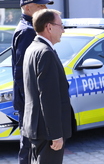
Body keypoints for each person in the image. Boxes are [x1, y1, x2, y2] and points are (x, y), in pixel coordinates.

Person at [22, 9, 73, 164]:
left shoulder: (33, 48)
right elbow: (48, 98)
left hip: (36, 127)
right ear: (49, 27)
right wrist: (56, 134)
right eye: (61, 25)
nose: (63, 30)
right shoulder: (45, 53)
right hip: (47, 132)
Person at [11, 0, 54, 164]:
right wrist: (31, 103)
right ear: (27, 8)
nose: (45, 8)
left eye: (45, 5)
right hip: (30, 103)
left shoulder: (29, 28)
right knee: (29, 147)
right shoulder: (28, 32)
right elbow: (22, 71)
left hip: (29, 102)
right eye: (40, 6)